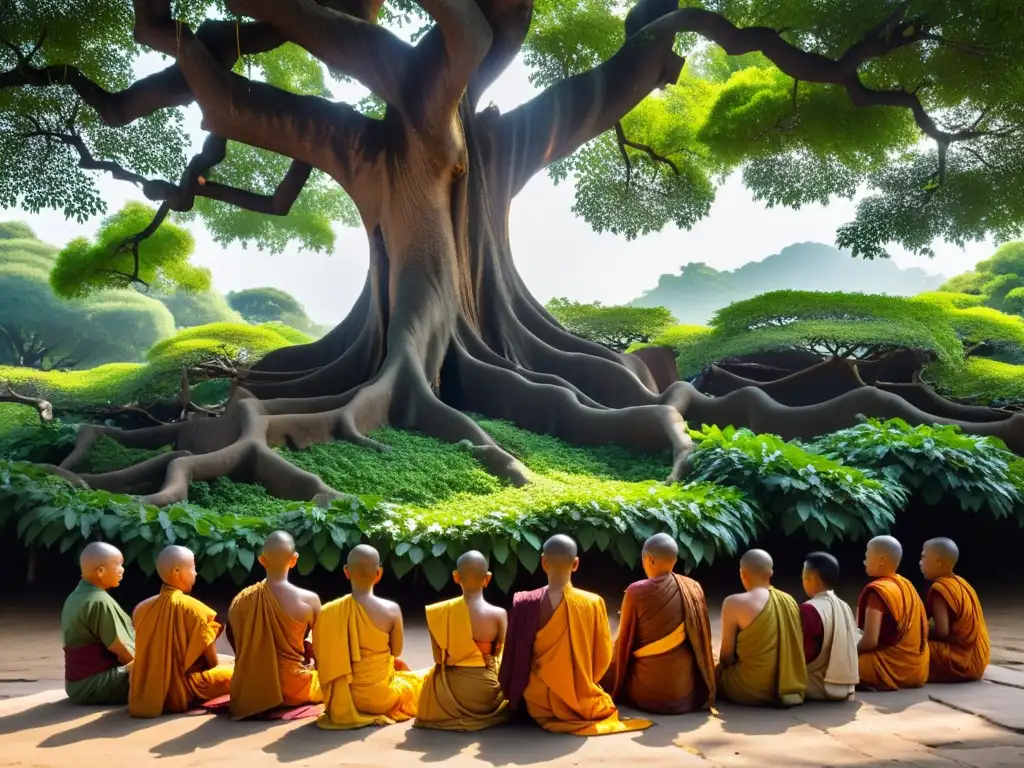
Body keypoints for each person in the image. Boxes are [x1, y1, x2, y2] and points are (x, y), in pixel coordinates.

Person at [498, 534, 651, 735]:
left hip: (536, 701)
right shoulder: (592, 602)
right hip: (580, 699)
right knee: (601, 702)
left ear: (543, 562)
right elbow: (603, 657)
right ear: (576, 564)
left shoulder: (526, 602)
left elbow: (514, 655)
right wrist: (581, 680)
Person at [313, 544, 423, 730]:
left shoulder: (327, 612)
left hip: (343, 700)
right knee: (422, 683)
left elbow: (321, 660)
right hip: (382, 699)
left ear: (346, 572)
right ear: (378, 574)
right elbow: (396, 651)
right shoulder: (391, 611)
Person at [604, 533, 716, 714]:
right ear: (675, 559)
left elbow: (624, 643)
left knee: (607, 655)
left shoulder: (636, 591)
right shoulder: (693, 587)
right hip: (686, 694)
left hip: (647, 695)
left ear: (649, 559)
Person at [128, 545, 233, 717]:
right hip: (185, 689)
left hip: (146, 688)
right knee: (237, 673)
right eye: (192, 568)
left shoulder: (141, 608)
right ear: (177, 571)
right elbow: (212, 663)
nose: (196, 573)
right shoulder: (196, 610)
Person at [227, 530, 322, 719]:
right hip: (294, 689)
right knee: (342, 681)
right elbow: (321, 650)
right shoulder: (309, 601)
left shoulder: (241, 600)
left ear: (262, 560)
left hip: (251, 687)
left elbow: (233, 638)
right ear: (294, 559)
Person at [415, 550, 509, 731]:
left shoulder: (440, 612)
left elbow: (438, 659)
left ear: (456, 577)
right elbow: (498, 653)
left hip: (449, 694)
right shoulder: (498, 614)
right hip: (486, 694)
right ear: (487, 578)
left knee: (429, 679)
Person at [716, 549, 806, 707]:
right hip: (787, 688)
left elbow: (726, 656)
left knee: (709, 668)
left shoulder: (733, 603)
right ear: (770, 572)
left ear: (743, 573)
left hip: (746, 689)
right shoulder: (789, 600)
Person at [60, 542, 136, 704]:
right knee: (164, 670)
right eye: (118, 565)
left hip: (77, 685)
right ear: (101, 571)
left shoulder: (76, 596)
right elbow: (122, 648)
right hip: (94, 684)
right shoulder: (99, 600)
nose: (122, 570)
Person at [857, 535, 929, 691]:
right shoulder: (906, 584)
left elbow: (870, 641)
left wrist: (847, 653)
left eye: (867, 556)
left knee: (835, 664)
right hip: (918, 670)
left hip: (889, 666)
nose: (864, 561)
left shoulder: (878, 591)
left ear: (881, 560)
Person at [919, 537, 990, 683]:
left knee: (909, 648)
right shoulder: (962, 583)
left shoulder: (940, 589)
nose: (920, 563)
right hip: (979, 658)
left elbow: (942, 632)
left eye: (923, 558)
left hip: (960, 661)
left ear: (938, 562)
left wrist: (920, 632)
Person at [799, 552, 859, 701]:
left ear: (809, 578)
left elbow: (803, 654)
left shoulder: (809, 609)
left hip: (816, 685)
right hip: (846, 687)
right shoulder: (844, 606)